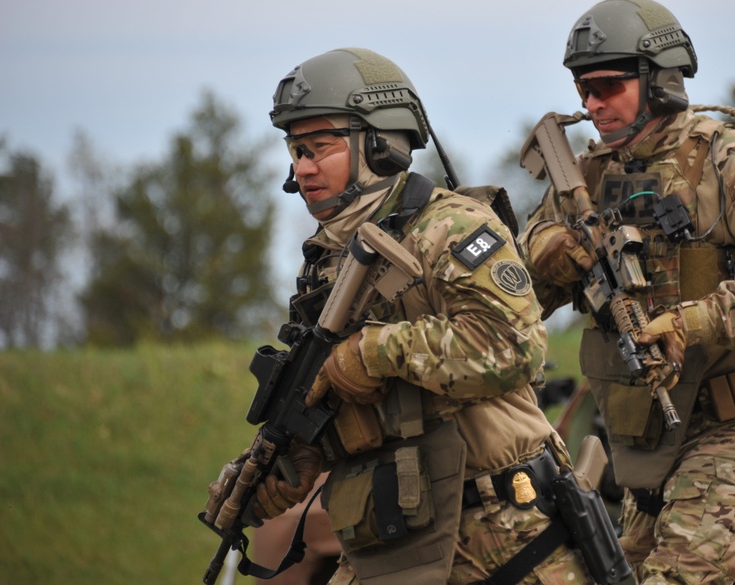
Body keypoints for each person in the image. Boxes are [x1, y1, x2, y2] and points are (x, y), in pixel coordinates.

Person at [519, 0, 735, 584]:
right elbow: (516, 296)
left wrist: (693, 321)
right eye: (582, 90)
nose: (592, 105)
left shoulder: (732, 160)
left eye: (608, 87)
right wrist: (551, 253)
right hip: (642, 437)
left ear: (659, 81)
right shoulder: (588, 178)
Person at [247, 47, 597, 585]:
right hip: (397, 538)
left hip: (505, 535)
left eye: (319, 147)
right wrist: (290, 462)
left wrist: (374, 352)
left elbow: (515, 347)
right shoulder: (326, 261)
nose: (302, 166)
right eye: (295, 150)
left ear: (380, 146)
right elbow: (351, 399)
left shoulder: (451, 227)